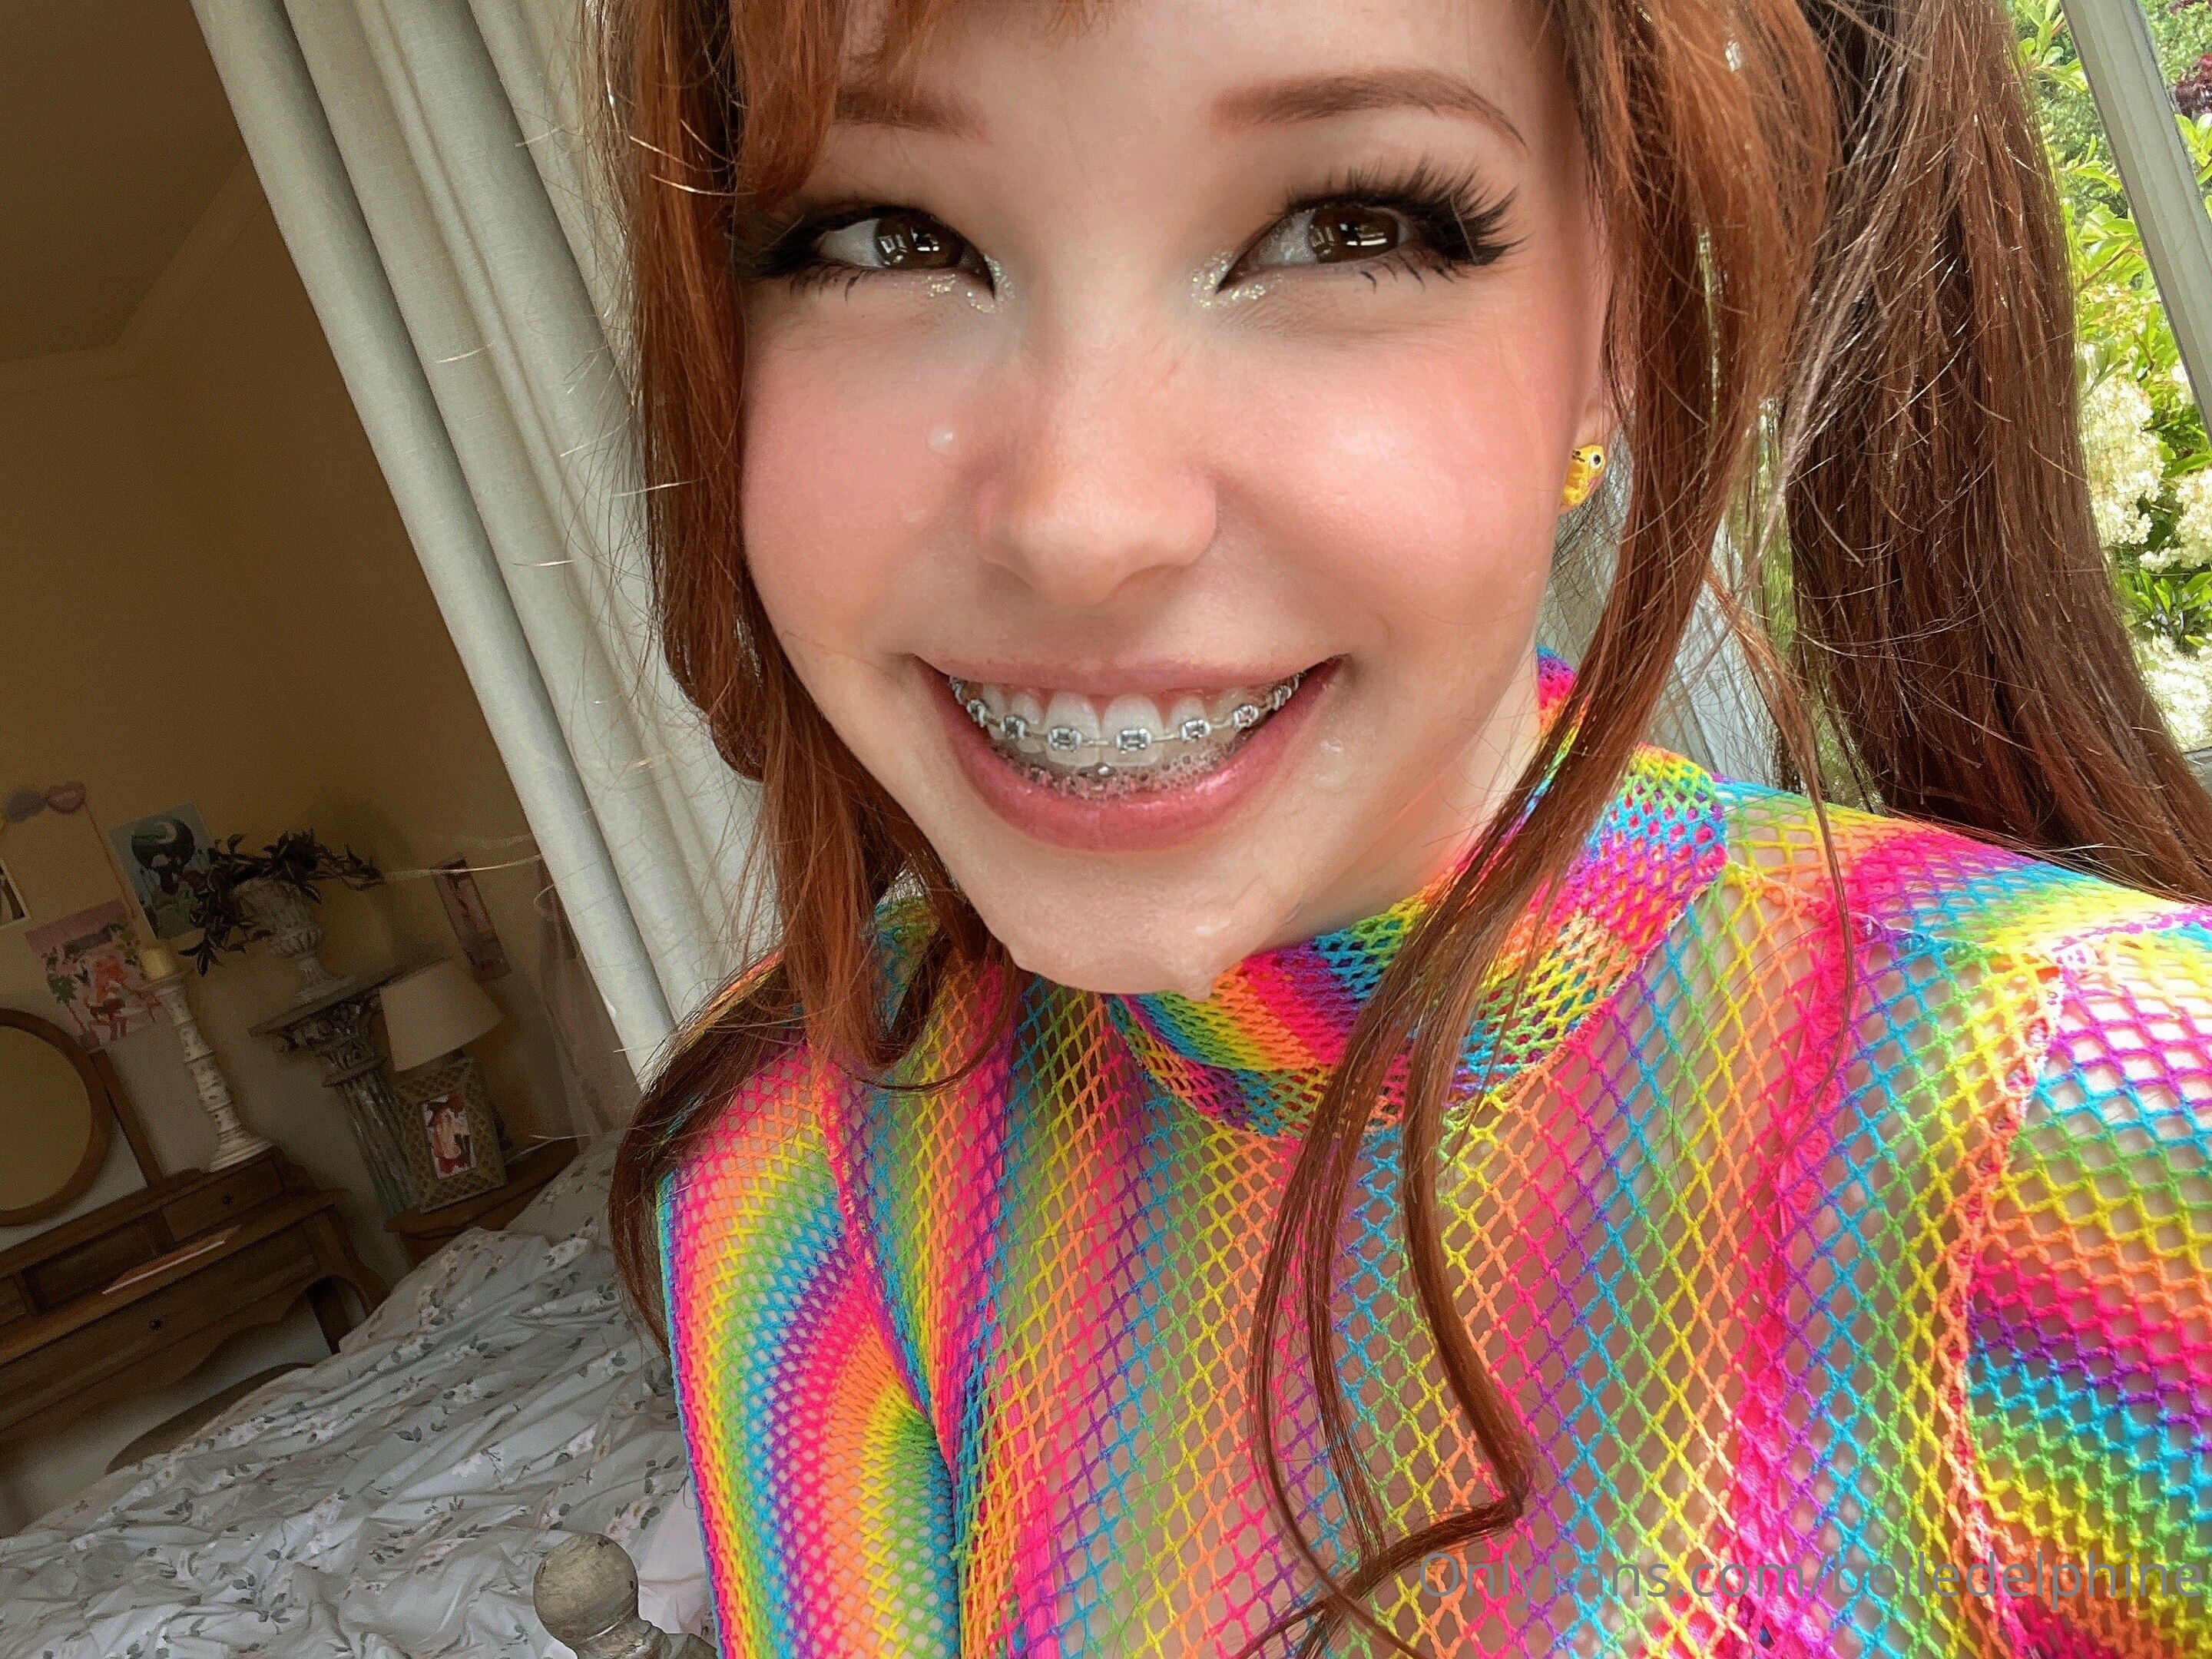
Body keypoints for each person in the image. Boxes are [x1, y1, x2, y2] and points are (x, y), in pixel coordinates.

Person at [598, 0, 2212, 1653]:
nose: (1082, 525)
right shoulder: (800, 1160)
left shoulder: (2124, 1151)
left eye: (1346, 226)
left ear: (1621, 324)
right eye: (883, 235)